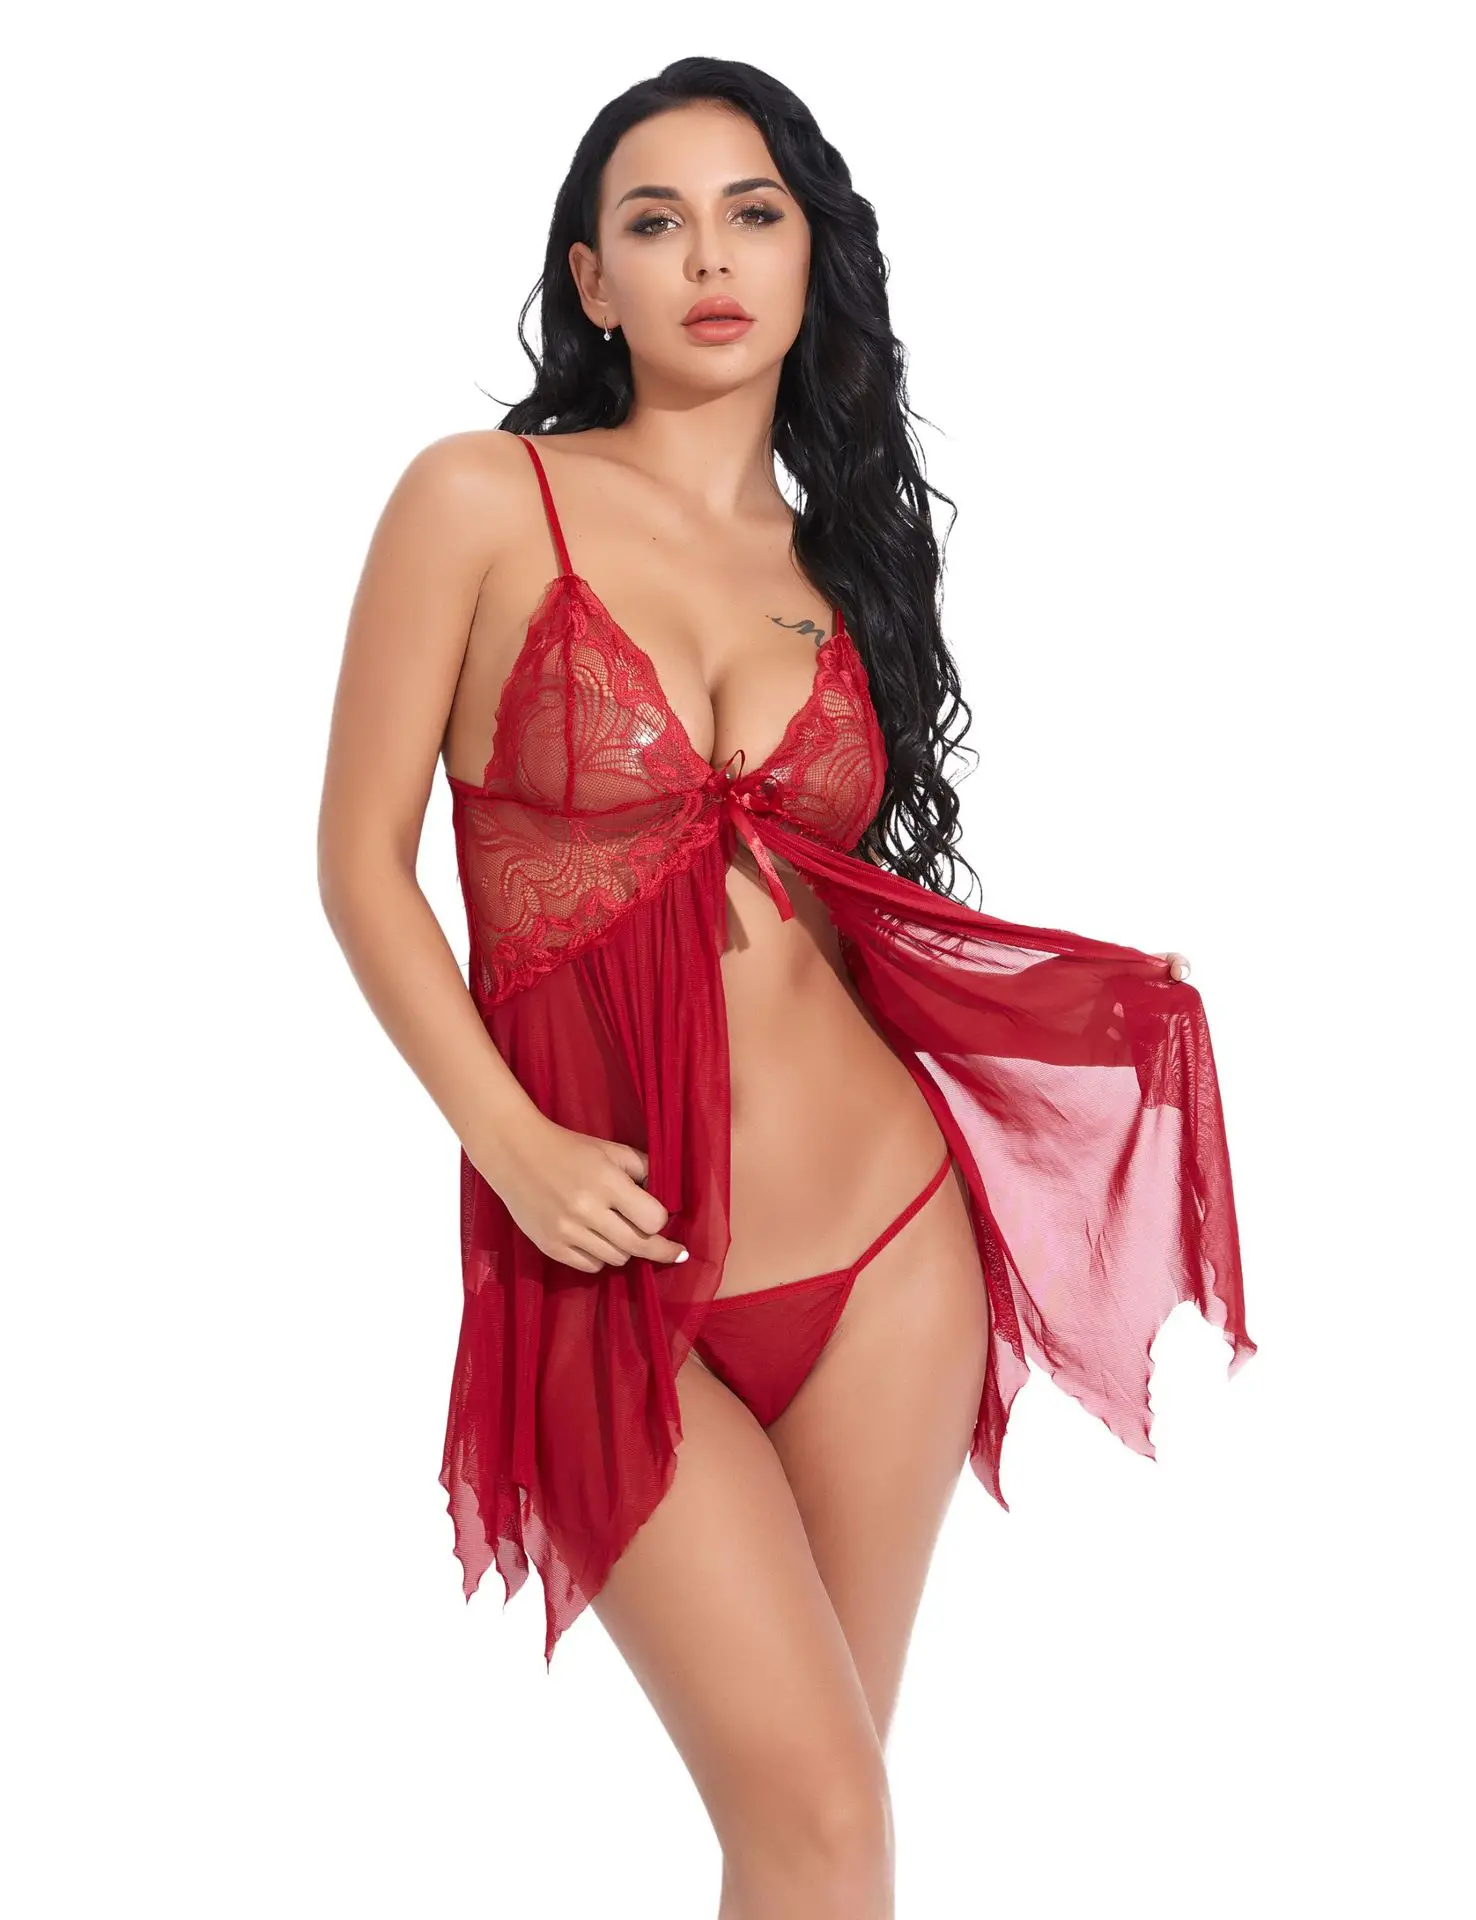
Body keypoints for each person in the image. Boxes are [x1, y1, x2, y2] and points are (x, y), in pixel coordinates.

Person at [317, 56, 1254, 1920]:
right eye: (655, 223)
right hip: (608, 1252)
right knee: (820, 1821)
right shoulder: (481, 498)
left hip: (886, 1251)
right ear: (592, 281)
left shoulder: (839, 563)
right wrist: (508, 1141)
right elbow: (359, 863)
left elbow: (828, 919)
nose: (710, 259)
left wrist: (1057, 995)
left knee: (824, 1830)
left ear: (813, 255)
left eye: (753, 214)